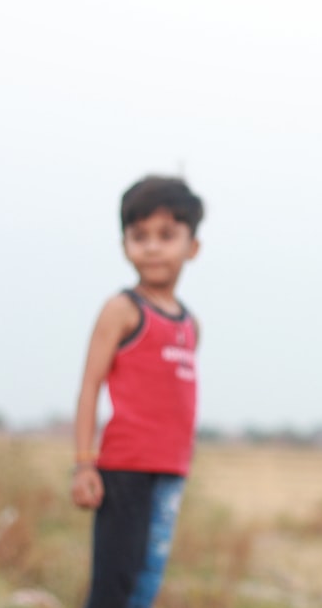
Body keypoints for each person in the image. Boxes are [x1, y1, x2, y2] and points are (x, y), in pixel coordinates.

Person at [71, 175, 204, 608]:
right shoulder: (123, 310)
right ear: (124, 243)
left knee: (146, 582)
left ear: (193, 247)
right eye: (139, 235)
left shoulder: (189, 324)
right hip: (125, 468)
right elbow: (90, 386)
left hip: (170, 471)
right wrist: (84, 463)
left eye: (166, 235)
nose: (151, 246)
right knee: (114, 583)